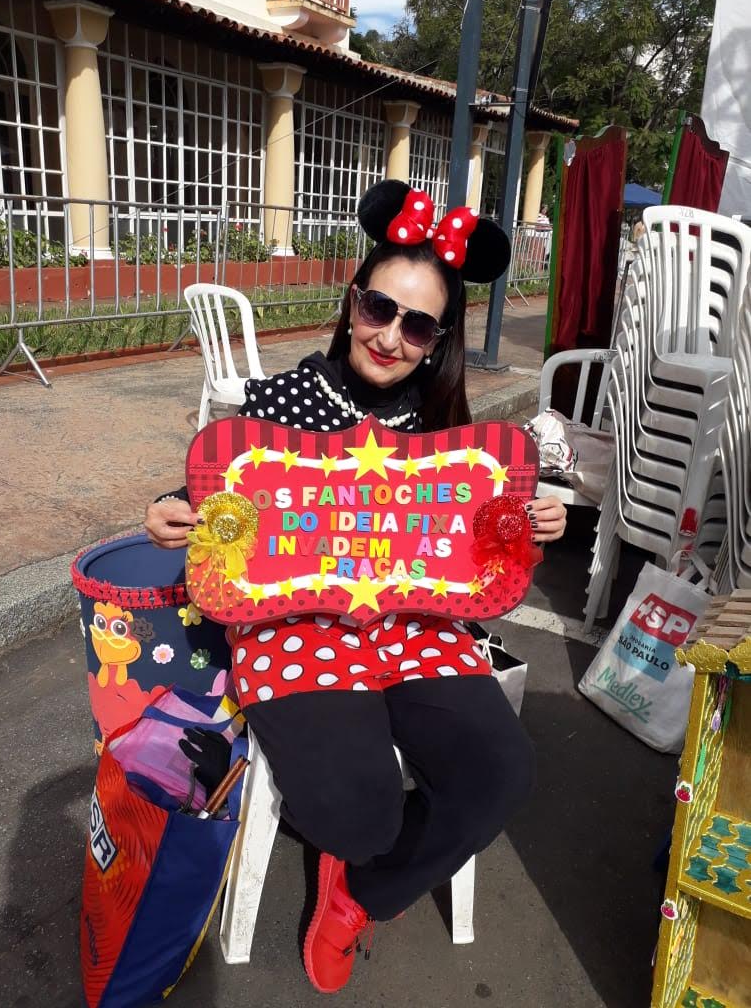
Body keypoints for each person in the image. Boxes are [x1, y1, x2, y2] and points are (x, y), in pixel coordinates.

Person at [145, 181, 567, 995]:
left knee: (500, 772)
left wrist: (528, 524)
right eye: (380, 308)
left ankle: (361, 897)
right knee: (358, 811)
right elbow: (222, 495)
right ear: (352, 302)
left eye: (418, 325)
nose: (391, 336)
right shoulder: (281, 401)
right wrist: (172, 510)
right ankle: (362, 846)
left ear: (436, 341)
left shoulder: (448, 427)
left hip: (416, 623)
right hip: (292, 625)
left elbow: (482, 541)